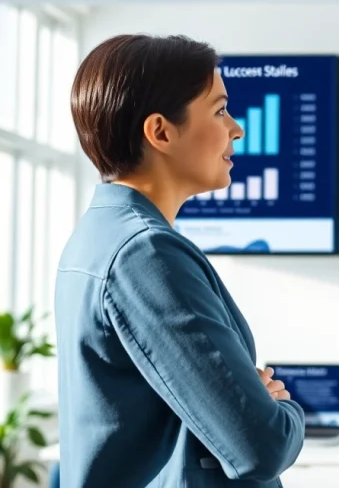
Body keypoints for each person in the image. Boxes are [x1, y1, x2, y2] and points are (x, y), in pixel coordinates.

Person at [55, 34, 305, 487]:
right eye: (219, 111)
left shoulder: (100, 234)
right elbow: (262, 446)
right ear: (161, 132)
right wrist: (282, 410)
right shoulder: (145, 253)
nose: (236, 129)